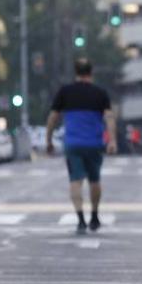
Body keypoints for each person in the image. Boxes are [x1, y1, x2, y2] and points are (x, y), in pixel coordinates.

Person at [44, 58, 118, 235]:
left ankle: (80, 220)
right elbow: (109, 117)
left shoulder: (65, 92)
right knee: (95, 180)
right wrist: (112, 140)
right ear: (91, 73)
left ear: (75, 72)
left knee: (75, 181)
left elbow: (52, 118)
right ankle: (94, 215)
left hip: (73, 144)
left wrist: (48, 140)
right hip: (94, 144)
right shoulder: (100, 93)